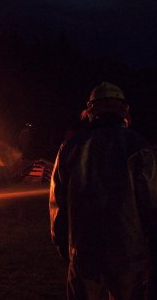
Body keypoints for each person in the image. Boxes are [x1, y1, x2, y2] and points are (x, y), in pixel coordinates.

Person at [49, 82, 157, 299]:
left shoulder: (70, 147)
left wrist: (61, 241)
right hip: (128, 252)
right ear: (123, 109)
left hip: (84, 250)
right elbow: (151, 201)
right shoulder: (137, 146)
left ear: (90, 111)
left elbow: (57, 202)